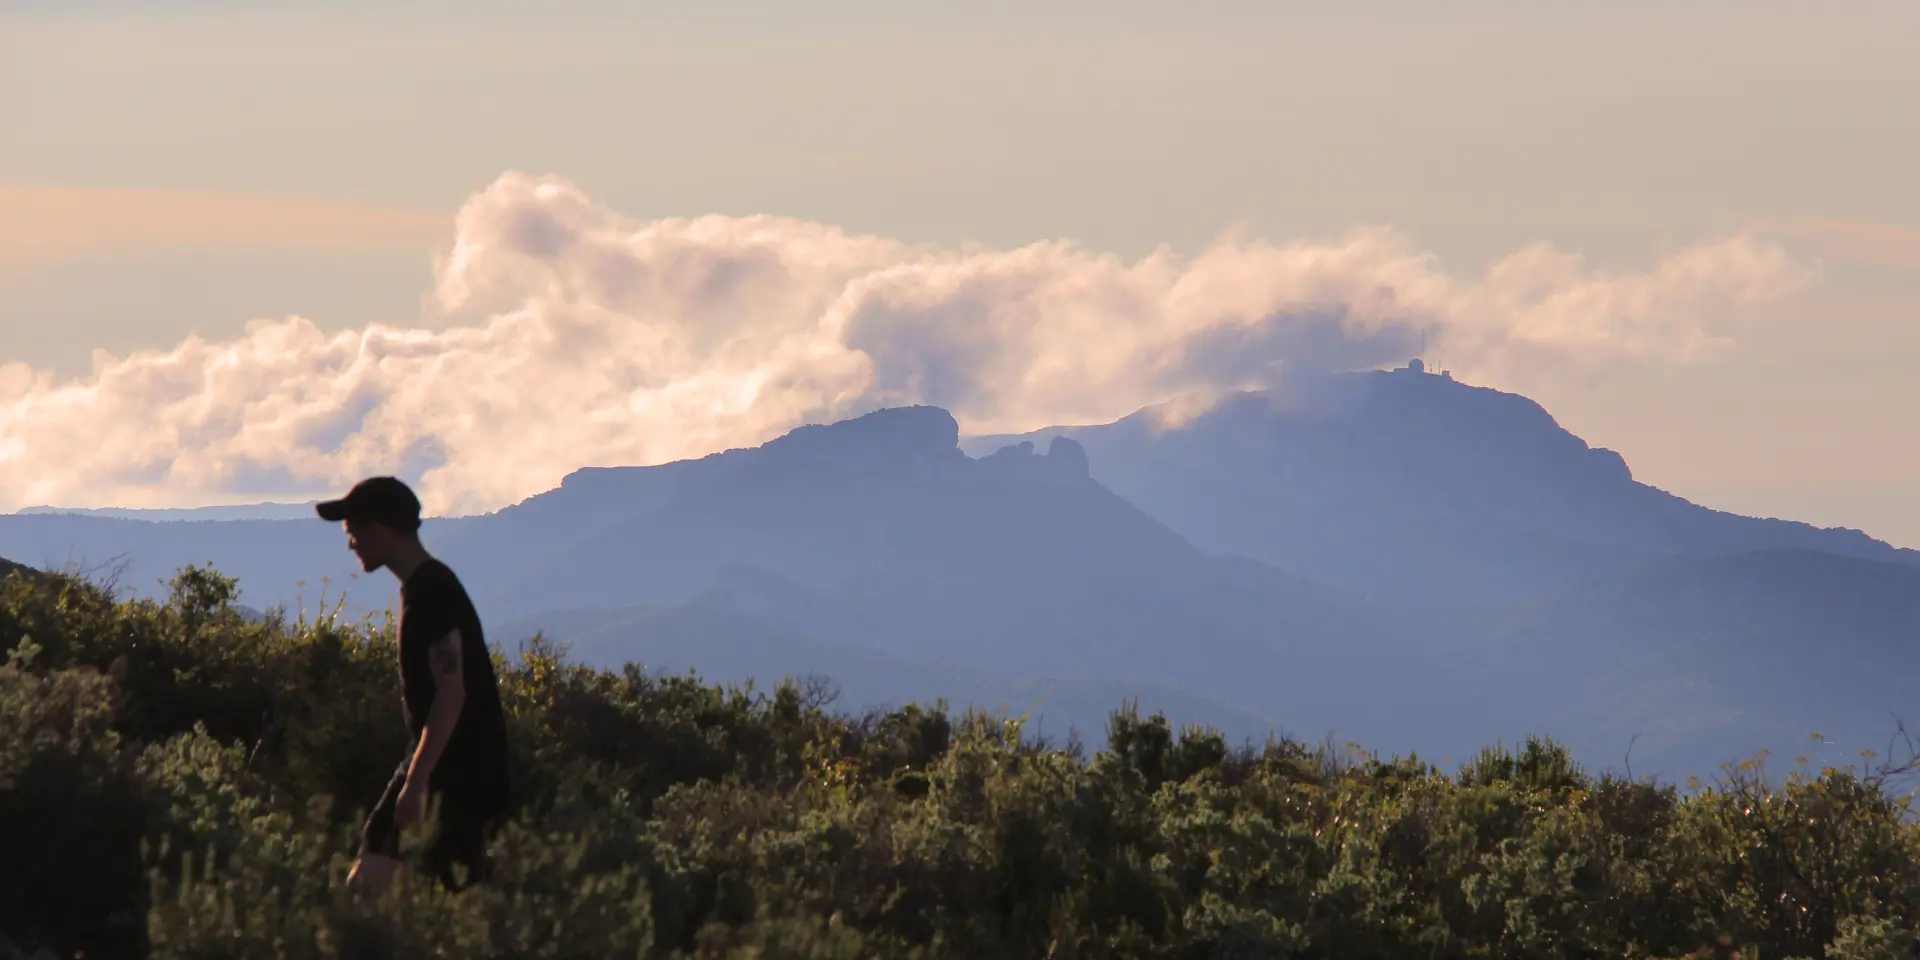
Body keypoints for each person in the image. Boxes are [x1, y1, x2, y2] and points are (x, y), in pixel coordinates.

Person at [315, 476, 512, 896]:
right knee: (442, 890)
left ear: (380, 530)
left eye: (353, 532)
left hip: (458, 771)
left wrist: (417, 781)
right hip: (453, 764)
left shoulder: (432, 592)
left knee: (374, 883)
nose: (350, 544)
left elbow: (452, 693)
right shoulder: (425, 587)